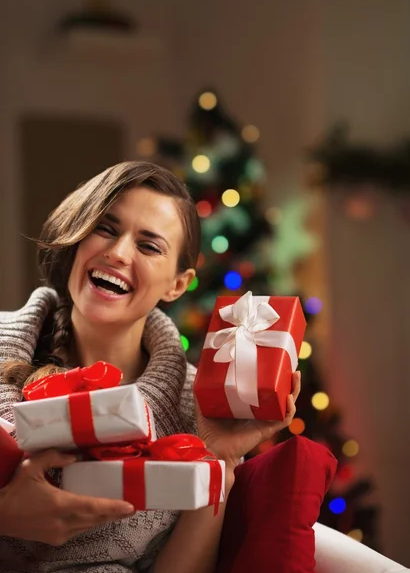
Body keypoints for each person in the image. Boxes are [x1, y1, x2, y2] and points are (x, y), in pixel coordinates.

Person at [0, 161, 300, 573]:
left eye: (148, 245)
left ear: (178, 284)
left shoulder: (199, 409)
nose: (118, 252)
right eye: (105, 228)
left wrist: (220, 462)